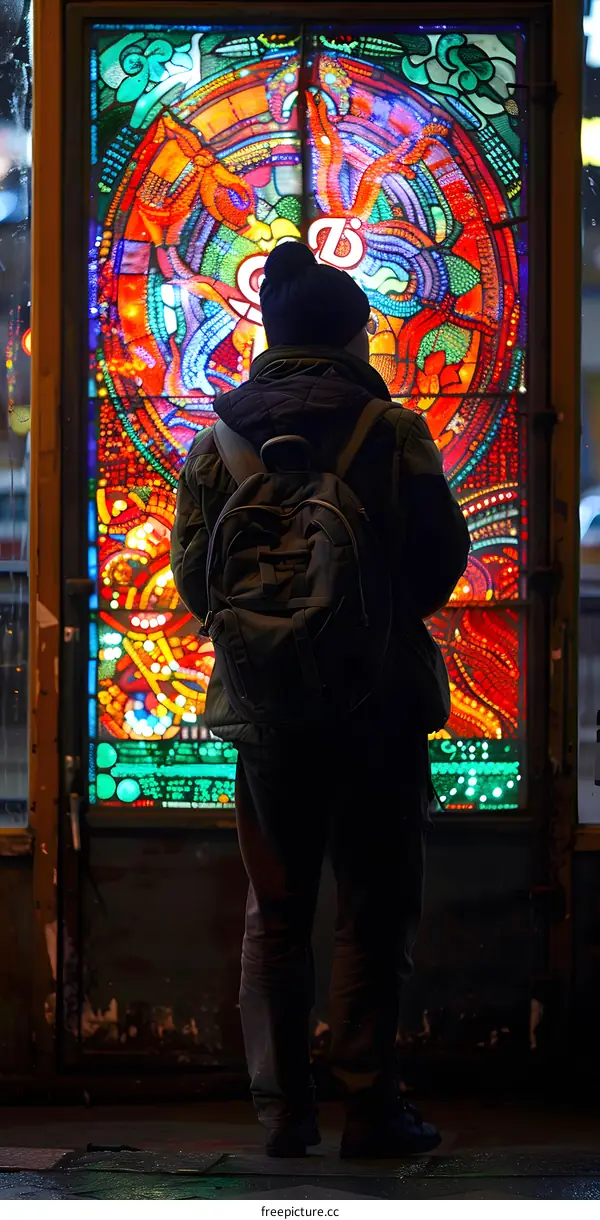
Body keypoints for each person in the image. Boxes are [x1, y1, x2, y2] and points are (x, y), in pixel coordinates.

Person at [171, 241, 470, 1159]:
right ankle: (372, 1109)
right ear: (350, 333)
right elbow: (442, 556)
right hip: (377, 703)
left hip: (266, 710)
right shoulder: (393, 428)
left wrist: (270, 638)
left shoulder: (217, 438)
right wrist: (368, 623)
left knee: (278, 913)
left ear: (269, 333)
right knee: (374, 910)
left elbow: (193, 578)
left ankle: (282, 1116)